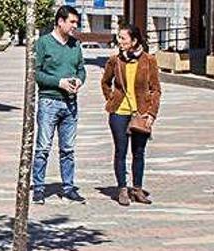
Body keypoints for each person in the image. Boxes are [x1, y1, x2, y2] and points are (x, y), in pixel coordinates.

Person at [100, 24, 161, 206]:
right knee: (121, 151)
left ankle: (138, 189)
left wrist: (151, 113)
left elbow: (156, 89)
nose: (119, 42)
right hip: (119, 112)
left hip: (141, 113)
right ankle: (122, 189)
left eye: (123, 38)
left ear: (134, 41)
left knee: (139, 152)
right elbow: (105, 82)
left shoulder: (149, 61)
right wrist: (111, 98)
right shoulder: (114, 61)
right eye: (119, 38)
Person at [32, 5, 87, 205]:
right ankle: (38, 188)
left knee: (68, 149)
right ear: (60, 22)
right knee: (43, 148)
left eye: (76, 23)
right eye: (72, 22)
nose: (75, 26)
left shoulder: (75, 45)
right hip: (49, 102)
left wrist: (79, 81)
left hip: (70, 105)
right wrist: (59, 82)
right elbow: (36, 73)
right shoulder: (43, 44)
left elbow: (81, 70)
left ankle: (68, 187)